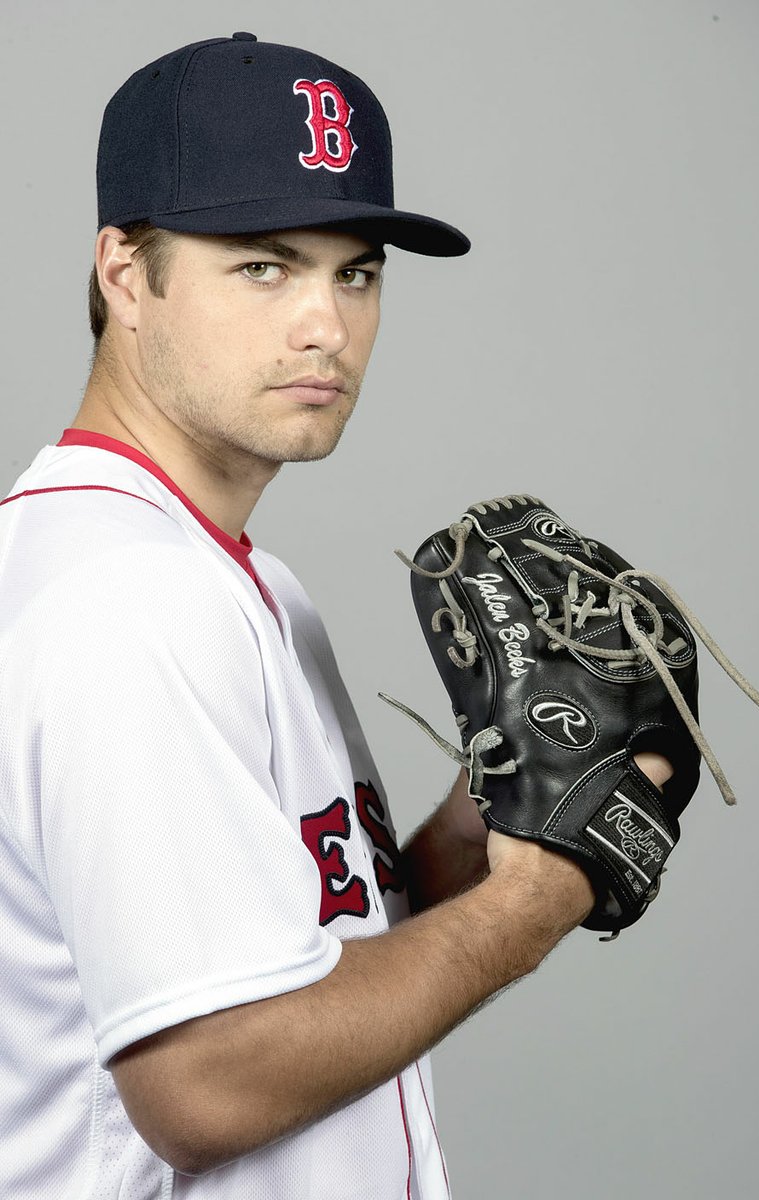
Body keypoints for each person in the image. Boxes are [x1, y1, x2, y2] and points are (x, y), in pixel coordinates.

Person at [0, 32, 672, 1199]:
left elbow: (308, 945)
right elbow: (205, 1084)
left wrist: (495, 816)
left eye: (354, 271)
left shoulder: (220, 575)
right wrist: (537, 898)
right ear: (124, 271)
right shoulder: (126, 597)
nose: (325, 323)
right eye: (263, 266)